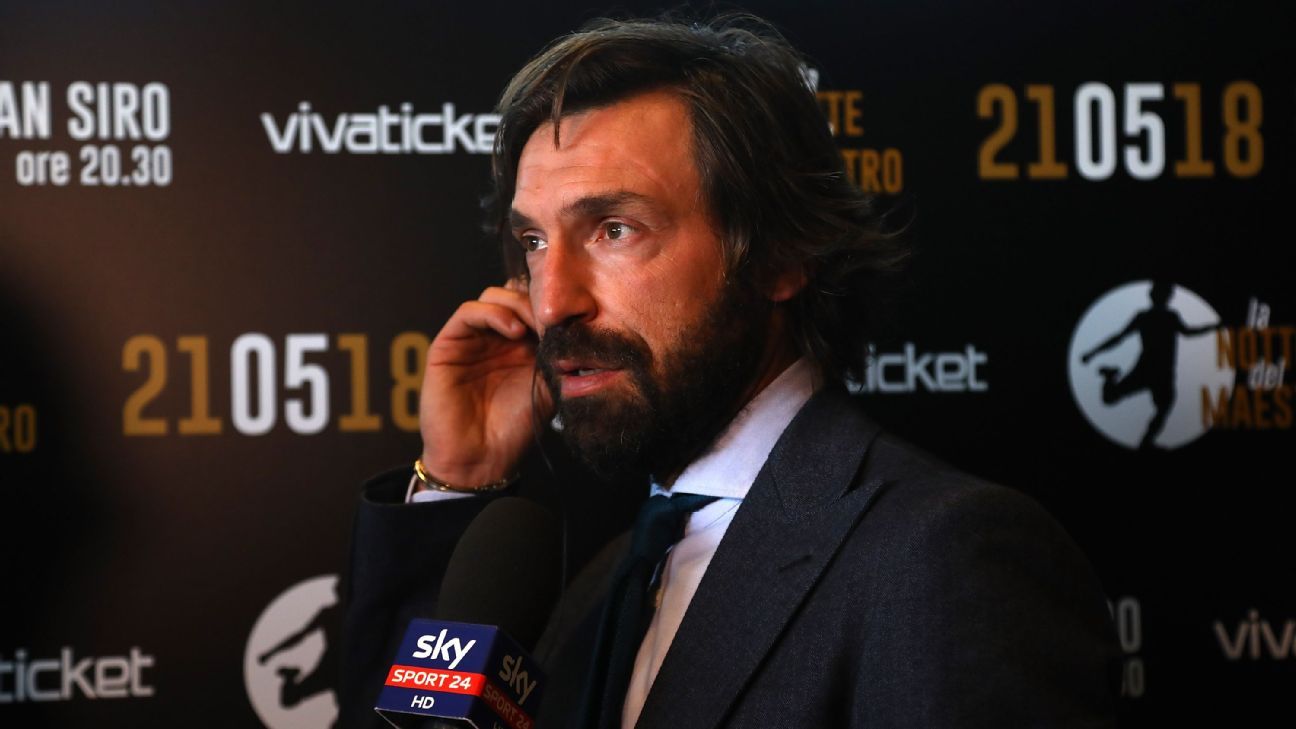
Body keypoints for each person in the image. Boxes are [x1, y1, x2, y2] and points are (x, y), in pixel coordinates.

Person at [340, 14, 1119, 729]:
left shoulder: (944, 557)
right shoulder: (598, 588)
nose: (552, 302)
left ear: (779, 254)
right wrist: (459, 483)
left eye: (614, 229)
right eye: (535, 242)